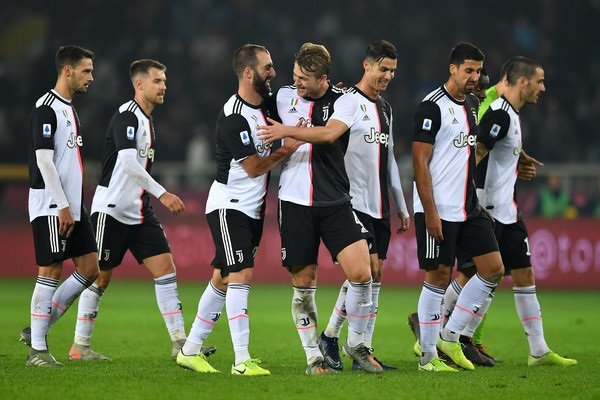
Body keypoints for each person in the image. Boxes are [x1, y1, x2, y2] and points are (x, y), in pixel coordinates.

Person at [176, 44, 301, 376]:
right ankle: (241, 360)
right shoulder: (233, 116)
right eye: (267, 67)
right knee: (241, 275)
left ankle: (189, 350)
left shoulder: (266, 108)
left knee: (222, 277)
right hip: (228, 206)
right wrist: (287, 148)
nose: (274, 73)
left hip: (252, 209)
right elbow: (254, 168)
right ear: (249, 73)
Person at [257, 42, 382, 375]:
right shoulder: (282, 96)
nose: (297, 83)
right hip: (295, 203)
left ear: (323, 78)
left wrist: (285, 131)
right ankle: (314, 356)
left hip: (335, 201)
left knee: (361, 273)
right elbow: (253, 105)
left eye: (304, 79)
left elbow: (329, 135)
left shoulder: (345, 101)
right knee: (304, 283)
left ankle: (355, 343)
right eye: (295, 76)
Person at [68, 59, 198, 361]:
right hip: (111, 210)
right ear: (139, 84)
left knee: (166, 269)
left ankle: (181, 343)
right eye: (157, 81)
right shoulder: (127, 116)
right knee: (98, 277)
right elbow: (127, 163)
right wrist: (163, 193)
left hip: (139, 211)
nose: (163, 86)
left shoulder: (147, 120)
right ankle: (79, 346)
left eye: (164, 81)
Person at [469, 57, 576, 366]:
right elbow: (478, 150)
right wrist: (466, 196)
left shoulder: (511, 114)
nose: (543, 87)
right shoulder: (498, 111)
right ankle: (441, 335)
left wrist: (519, 157)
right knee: (475, 275)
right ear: (523, 81)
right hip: (488, 206)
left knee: (523, 273)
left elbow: (498, 148)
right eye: (539, 81)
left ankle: (538, 350)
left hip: (508, 209)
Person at [412, 42, 505, 372]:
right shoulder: (431, 107)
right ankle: (427, 357)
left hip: (468, 206)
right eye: (468, 70)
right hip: (439, 207)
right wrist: (430, 211)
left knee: (493, 268)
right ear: (452, 68)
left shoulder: (469, 107)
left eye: (478, 71)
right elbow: (420, 164)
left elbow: (469, 155)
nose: (474, 77)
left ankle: (449, 335)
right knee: (438, 275)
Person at [317, 40, 410, 372]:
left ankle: (347, 342)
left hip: (379, 204)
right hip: (351, 201)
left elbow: (391, 160)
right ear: (366, 65)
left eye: (393, 71)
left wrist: (401, 204)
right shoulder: (346, 102)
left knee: (376, 275)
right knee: (365, 273)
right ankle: (354, 345)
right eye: (383, 69)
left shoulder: (385, 108)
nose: (387, 76)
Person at [21, 45, 98, 367]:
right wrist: (62, 204)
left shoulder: (69, 108)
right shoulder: (47, 108)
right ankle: (37, 351)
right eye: (86, 71)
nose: (91, 78)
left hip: (71, 203)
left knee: (91, 268)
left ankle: (38, 328)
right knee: (50, 269)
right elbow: (44, 160)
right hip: (53, 203)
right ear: (67, 70)